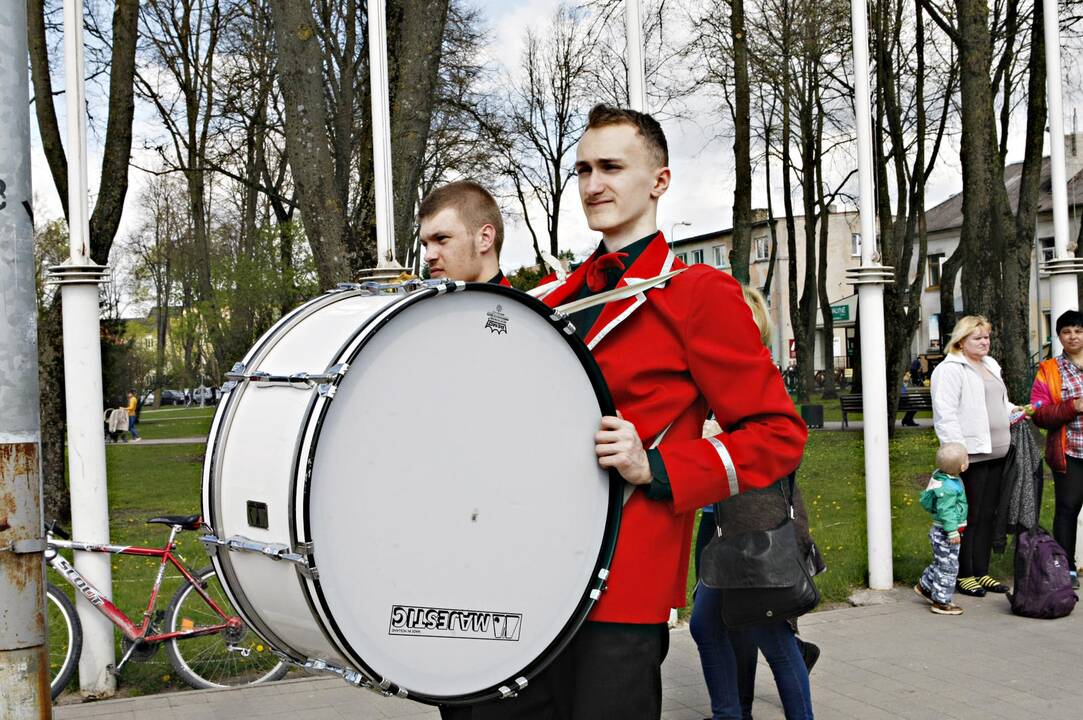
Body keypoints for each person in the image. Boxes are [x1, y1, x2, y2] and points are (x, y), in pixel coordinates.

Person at [502, 104, 806, 719]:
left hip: (624, 577)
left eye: (612, 167)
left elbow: (778, 433)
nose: (593, 185)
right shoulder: (553, 298)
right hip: (531, 570)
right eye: (583, 169)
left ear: (659, 181)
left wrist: (658, 466)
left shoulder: (698, 296)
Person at [691, 285, 816, 720]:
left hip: (755, 526)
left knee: (769, 634)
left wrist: (717, 443)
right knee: (718, 625)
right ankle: (731, 712)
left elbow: (779, 443)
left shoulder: (758, 376)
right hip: (719, 521)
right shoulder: (713, 373)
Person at [931, 315, 1021, 597]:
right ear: (961, 340)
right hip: (972, 455)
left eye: (987, 337)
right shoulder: (950, 369)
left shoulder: (990, 365)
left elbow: (999, 403)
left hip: (998, 451)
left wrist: (1017, 411)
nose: (985, 342)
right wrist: (956, 452)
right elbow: (945, 414)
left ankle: (982, 571)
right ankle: (964, 573)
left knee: (988, 514)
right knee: (967, 515)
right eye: (978, 338)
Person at [1030, 309, 1083, 589]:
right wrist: (1071, 406)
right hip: (1070, 451)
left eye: (1078, 330)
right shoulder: (1049, 370)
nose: (1073, 336)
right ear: (1059, 336)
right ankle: (1067, 568)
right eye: (1066, 331)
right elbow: (1040, 413)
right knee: (1067, 508)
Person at [914, 442, 969, 615]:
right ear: (961, 466)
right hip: (946, 533)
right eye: (967, 459)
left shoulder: (942, 477)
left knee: (940, 562)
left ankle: (925, 586)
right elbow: (947, 512)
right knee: (948, 567)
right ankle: (941, 601)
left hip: (941, 531)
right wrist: (952, 531)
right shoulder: (949, 488)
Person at [418, 180, 509, 286]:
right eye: (425, 244)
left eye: (441, 238)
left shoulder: (520, 303)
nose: (428, 256)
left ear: (485, 238)